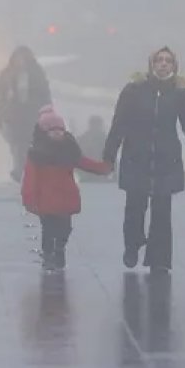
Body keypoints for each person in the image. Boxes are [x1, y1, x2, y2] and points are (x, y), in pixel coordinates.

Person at [103, 47, 185, 274]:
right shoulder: (134, 91)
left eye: (168, 61)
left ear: (174, 66)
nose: (163, 64)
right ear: (151, 65)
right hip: (136, 158)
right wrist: (109, 157)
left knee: (162, 212)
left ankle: (159, 260)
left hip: (166, 161)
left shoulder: (180, 95)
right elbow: (119, 124)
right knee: (135, 208)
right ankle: (132, 246)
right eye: (159, 60)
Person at [22, 106, 111, 271]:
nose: (57, 133)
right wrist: (29, 197)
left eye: (60, 130)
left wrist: (103, 168)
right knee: (48, 230)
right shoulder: (37, 154)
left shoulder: (69, 150)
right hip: (46, 199)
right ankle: (49, 254)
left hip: (65, 197)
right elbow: (30, 178)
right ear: (44, 132)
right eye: (52, 130)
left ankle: (59, 249)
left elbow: (84, 163)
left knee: (65, 228)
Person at [0, 46, 52, 182]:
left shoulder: (36, 72)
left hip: (31, 112)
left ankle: (26, 169)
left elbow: (44, 90)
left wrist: (46, 107)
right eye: (18, 57)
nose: (21, 60)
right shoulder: (8, 72)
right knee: (16, 143)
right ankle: (20, 169)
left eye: (24, 57)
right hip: (12, 113)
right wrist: (7, 90)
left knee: (29, 142)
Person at [76, 115, 109, 182]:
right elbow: (77, 155)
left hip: (101, 174)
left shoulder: (106, 139)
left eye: (97, 124)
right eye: (94, 124)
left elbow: (111, 157)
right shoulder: (83, 138)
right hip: (86, 174)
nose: (96, 126)